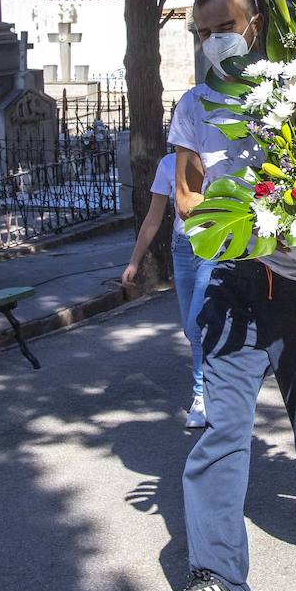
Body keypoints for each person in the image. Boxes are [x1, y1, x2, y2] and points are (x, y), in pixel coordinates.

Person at [160, 0, 296, 591]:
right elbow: (189, 199)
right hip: (235, 285)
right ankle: (217, 578)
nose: (210, 40)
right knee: (221, 427)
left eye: (222, 25)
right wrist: (250, 222)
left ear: (253, 25)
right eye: (198, 32)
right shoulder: (194, 106)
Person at [121, 152, 212, 428]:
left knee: (197, 323)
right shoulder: (169, 164)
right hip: (183, 248)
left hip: (215, 247)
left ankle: (202, 397)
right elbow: (153, 218)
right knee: (189, 327)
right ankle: (218, 378)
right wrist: (134, 262)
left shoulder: (217, 157)